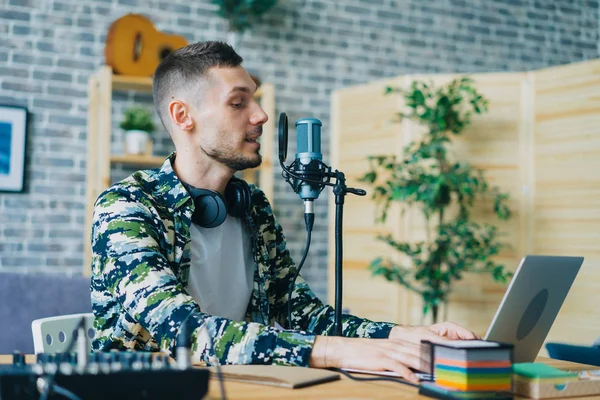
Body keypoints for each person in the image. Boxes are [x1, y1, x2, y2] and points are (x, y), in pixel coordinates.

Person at [90, 41, 477, 383]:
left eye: (254, 100)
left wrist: (402, 337)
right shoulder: (126, 208)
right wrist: (334, 351)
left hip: (240, 387)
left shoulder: (252, 206)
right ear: (182, 116)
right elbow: (186, 332)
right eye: (238, 103)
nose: (260, 115)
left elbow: (303, 313)